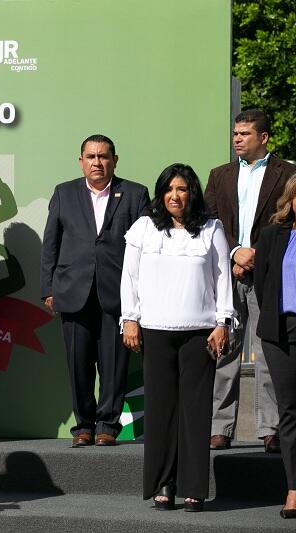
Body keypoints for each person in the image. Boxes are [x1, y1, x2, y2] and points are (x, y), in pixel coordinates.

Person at [121, 163, 235, 512]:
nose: (175, 195)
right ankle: (163, 484)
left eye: (182, 189)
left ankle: (194, 488)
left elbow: (222, 279)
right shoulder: (143, 228)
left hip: (200, 332)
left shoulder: (211, 229)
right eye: (169, 189)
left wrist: (223, 322)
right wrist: (129, 318)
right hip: (155, 331)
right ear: (161, 193)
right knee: (160, 412)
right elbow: (130, 277)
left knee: (196, 413)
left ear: (192, 193)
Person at [40, 134, 149, 447]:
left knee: (114, 365)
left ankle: (107, 426)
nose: (97, 162)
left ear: (115, 160)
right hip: (72, 291)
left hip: (117, 293)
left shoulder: (135, 194)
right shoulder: (64, 193)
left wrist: (140, 295)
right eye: (91, 157)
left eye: (103, 156)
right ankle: (84, 425)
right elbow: (51, 243)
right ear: (81, 161)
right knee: (78, 363)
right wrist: (48, 288)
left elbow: (145, 248)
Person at [205, 109, 296, 452]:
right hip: (228, 274)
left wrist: (255, 254)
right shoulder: (220, 175)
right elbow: (210, 223)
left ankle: (270, 429)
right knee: (224, 351)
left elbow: (286, 220)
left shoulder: (288, 173)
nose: (237, 139)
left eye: (244, 134)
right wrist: (234, 254)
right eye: (235, 133)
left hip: (268, 274)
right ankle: (220, 427)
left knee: (268, 353)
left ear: (264, 137)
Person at [252, 174, 296, 519]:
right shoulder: (272, 236)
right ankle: (294, 489)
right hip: (280, 331)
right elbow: (263, 287)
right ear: (290, 200)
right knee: (289, 412)